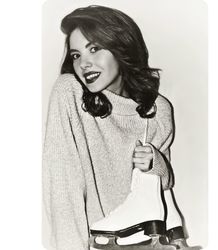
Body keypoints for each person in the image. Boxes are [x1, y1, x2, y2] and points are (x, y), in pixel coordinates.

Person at [43, 5, 191, 250]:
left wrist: (158, 164)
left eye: (94, 49)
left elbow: (162, 188)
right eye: (76, 55)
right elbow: (62, 189)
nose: (84, 64)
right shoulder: (69, 91)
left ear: (121, 48)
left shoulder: (156, 109)